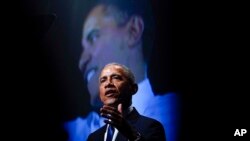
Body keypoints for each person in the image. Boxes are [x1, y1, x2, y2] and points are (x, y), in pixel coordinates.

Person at [64, 0, 181, 141]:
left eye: (94, 36)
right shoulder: (82, 134)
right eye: (103, 80)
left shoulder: (173, 115)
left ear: (134, 30)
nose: (81, 62)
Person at [87, 63, 166, 141]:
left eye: (116, 77)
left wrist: (132, 135)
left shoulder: (151, 127)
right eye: (103, 80)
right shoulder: (93, 138)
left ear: (133, 89)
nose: (108, 83)